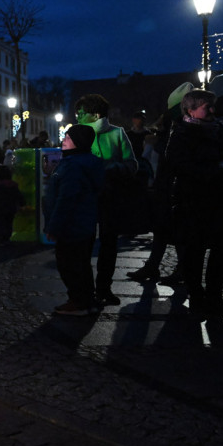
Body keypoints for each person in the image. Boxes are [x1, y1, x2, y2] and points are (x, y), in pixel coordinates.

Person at [165, 89, 223, 318]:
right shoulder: (181, 134)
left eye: (212, 106)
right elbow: (179, 166)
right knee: (194, 252)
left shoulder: (219, 131)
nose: (212, 111)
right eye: (206, 107)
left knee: (221, 250)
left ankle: (215, 297)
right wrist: (217, 171)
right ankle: (197, 297)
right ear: (191, 110)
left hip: (220, 201)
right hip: (194, 202)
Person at [74, 93, 138, 308]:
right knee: (84, 245)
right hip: (86, 198)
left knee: (109, 245)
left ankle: (104, 288)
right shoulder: (76, 136)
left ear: (96, 114)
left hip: (111, 197)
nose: (78, 116)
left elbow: (132, 164)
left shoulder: (117, 133)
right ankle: (86, 290)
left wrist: (114, 168)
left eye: (82, 113)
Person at [127, 82, 192, 283]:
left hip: (177, 186)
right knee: (162, 228)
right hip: (165, 184)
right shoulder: (170, 127)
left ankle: (181, 268)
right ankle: (155, 266)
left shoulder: (180, 128)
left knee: (176, 229)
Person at [44, 125, 106, 316]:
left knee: (69, 265)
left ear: (78, 141)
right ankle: (87, 300)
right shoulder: (85, 162)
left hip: (71, 225)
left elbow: (66, 199)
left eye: (68, 137)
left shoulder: (73, 165)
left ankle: (78, 302)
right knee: (82, 264)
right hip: (84, 224)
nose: (64, 140)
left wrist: (54, 227)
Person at [0, 166, 24, 245]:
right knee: (9, 223)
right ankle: (7, 238)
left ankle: (0, 238)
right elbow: (19, 196)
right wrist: (22, 203)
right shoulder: (13, 185)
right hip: (11, 208)